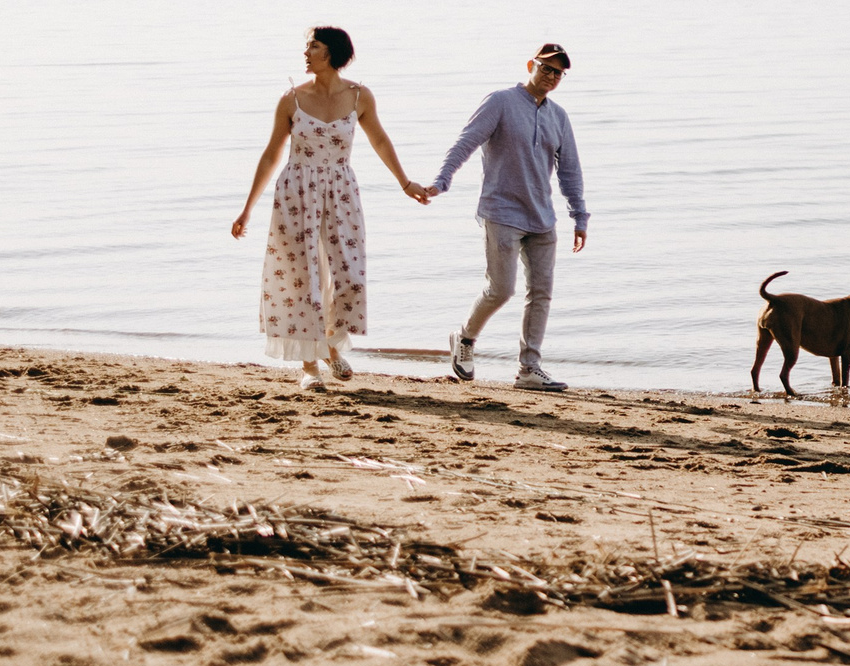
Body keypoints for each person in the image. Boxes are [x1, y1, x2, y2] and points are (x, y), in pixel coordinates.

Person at [231, 26, 433, 387]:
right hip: (296, 192)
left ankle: (330, 344)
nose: (306, 52)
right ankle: (310, 367)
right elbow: (271, 154)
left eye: (314, 46)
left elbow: (381, 140)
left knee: (348, 276)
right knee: (302, 278)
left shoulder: (359, 96)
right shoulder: (291, 99)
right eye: (307, 46)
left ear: (332, 53)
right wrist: (247, 208)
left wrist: (405, 183)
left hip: (341, 190)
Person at [431, 42, 589, 392]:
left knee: (541, 292)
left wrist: (579, 215)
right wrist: (443, 179)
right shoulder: (500, 102)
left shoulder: (558, 116)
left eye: (558, 73)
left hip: (542, 218)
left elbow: (570, 171)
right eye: (546, 69)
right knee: (501, 289)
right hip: (501, 212)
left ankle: (529, 368)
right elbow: (465, 143)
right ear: (531, 64)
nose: (551, 77)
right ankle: (465, 338)